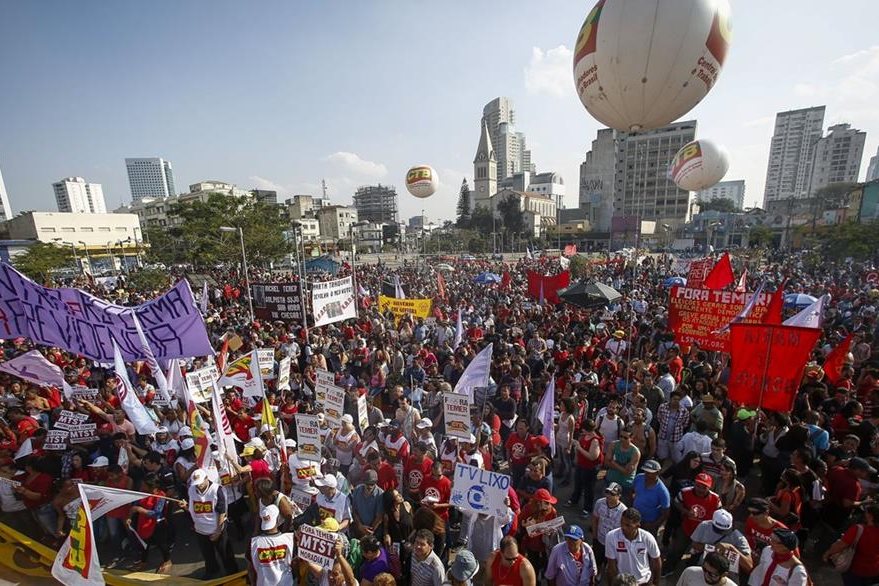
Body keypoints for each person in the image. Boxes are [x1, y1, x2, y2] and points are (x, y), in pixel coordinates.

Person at [186, 468, 238, 578]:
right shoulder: (191, 490)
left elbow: (221, 511)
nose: (198, 486)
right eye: (196, 484)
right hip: (200, 530)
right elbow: (193, 508)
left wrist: (218, 530)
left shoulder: (217, 490)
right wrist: (185, 507)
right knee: (208, 554)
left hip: (216, 528)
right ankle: (212, 571)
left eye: (200, 483)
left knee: (225, 552)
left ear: (206, 478)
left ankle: (232, 572)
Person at [689, 509, 753, 584]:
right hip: (704, 571)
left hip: (727, 578)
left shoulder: (738, 538)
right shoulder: (704, 526)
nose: (721, 533)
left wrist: (732, 548)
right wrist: (712, 547)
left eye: (724, 531)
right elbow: (694, 544)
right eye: (718, 530)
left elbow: (749, 566)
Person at [822, 503, 879, 586]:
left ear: (871, 516)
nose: (865, 514)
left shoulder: (858, 529)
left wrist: (827, 553)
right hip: (875, 572)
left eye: (866, 512)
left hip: (855, 570)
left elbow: (840, 545)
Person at [604, 508, 662, 586]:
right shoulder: (611, 536)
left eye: (628, 525)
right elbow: (611, 566)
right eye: (622, 522)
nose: (623, 527)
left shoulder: (647, 537)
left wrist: (655, 583)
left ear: (637, 525)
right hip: (623, 582)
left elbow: (656, 561)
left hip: (643, 582)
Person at [247, 504, 296, 586]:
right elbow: (295, 563)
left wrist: (252, 583)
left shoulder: (253, 543)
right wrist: (297, 577)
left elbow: (250, 568)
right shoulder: (289, 539)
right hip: (287, 583)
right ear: (277, 519)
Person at [592, 482, 627, 577]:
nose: (608, 495)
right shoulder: (599, 503)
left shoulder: (623, 511)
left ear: (619, 496)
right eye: (607, 492)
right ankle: (598, 573)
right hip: (599, 538)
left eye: (612, 494)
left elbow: (624, 529)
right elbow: (595, 518)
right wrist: (594, 535)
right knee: (597, 559)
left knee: (610, 562)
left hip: (613, 542)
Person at [631, 460, 670, 536]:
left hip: (648, 522)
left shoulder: (662, 491)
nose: (646, 474)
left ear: (657, 473)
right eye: (645, 471)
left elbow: (665, 513)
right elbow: (632, 491)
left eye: (650, 472)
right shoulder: (639, 478)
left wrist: (654, 525)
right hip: (634, 518)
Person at [351, 469, 385, 539]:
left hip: (374, 532)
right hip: (358, 529)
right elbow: (354, 510)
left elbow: (379, 517)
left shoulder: (380, 494)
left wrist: (369, 531)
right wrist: (360, 526)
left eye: (372, 484)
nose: (369, 486)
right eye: (367, 483)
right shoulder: (357, 490)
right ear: (363, 482)